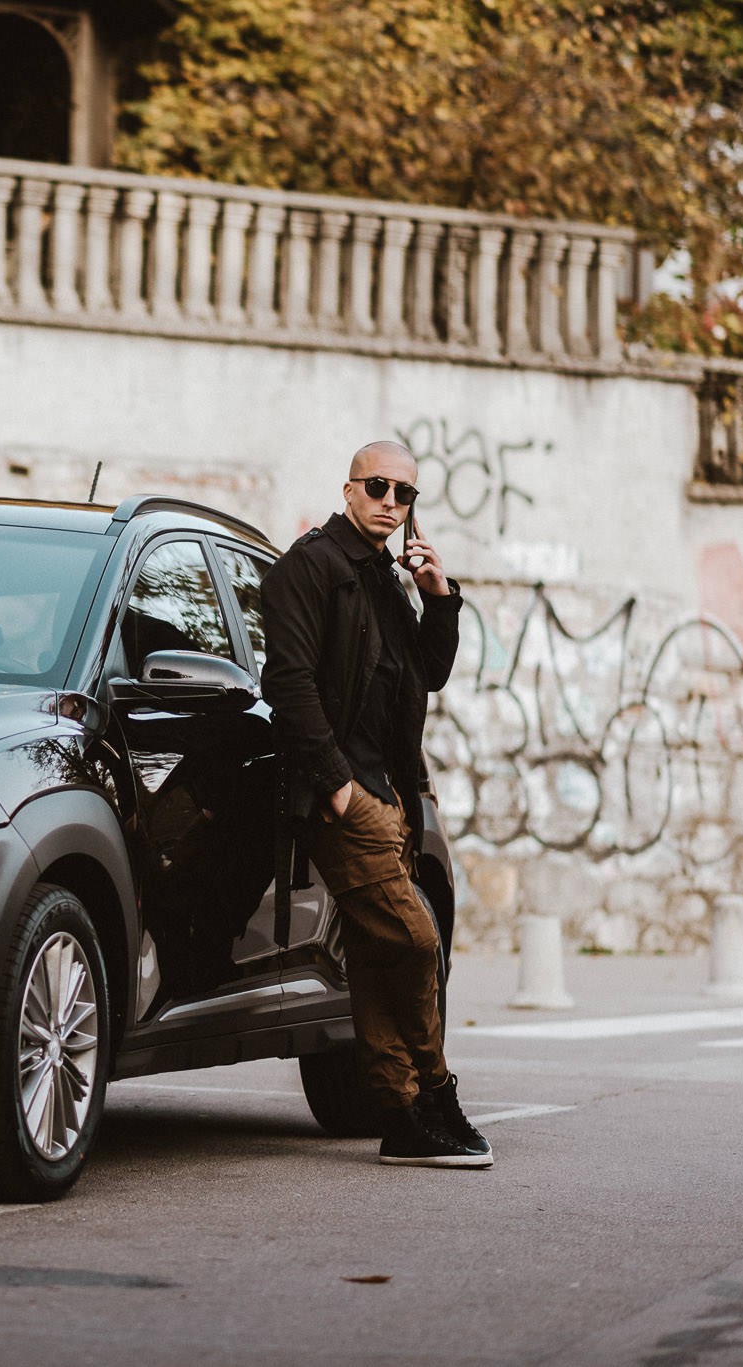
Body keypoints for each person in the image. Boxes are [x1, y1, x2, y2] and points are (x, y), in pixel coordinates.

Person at [259, 439, 492, 1168]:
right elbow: (287, 680)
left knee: (374, 952)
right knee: (415, 940)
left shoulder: (388, 579)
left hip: (392, 798)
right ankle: (437, 1093)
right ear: (350, 490)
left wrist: (437, 596)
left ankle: (399, 1116)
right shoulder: (310, 567)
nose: (391, 502)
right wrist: (336, 787)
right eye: (378, 487)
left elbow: (428, 673)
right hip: (348, 797)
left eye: (404, 493)